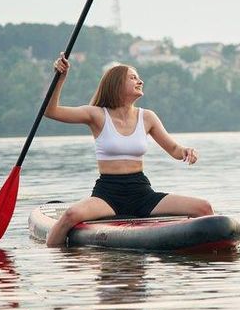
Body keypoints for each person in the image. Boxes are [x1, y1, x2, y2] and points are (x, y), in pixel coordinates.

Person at [42, 54, 214, 247]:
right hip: (107, 195)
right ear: (117, 84)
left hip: (142, 193)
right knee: (70, 215)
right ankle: (54, 257)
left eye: (138, 77)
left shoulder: (147, 117)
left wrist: (186, 151)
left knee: (204, 207)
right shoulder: (96, 115)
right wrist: (60, 77)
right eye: (133, 77)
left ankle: (211, 250)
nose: (140, 81)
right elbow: (50, 111)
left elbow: (174, 149)